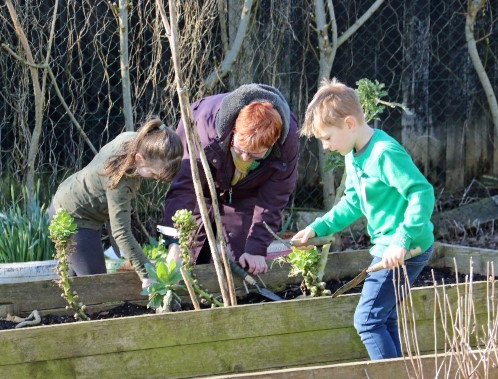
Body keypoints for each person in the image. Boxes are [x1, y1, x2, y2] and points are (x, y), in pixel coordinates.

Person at [291, 78, 435, 360]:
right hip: (391, 247)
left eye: (327, 138)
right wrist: (316, 228)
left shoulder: (383, 153)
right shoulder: (354, 155)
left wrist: (401, 240)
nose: (325, 146)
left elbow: (422, 193)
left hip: (407, 248)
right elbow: (353, 202)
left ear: (348, 124)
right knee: (382, 319)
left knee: (367, 321)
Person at [162, 83, 299, 275]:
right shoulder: (202, 126)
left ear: (273, 143)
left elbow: (275, 197)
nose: (244, 159)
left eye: (254, 156)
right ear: (234, 131)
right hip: (204, 184)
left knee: (243, 260)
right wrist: (174, 242)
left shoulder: (288, 141)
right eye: (241, 151)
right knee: (190, 253)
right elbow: (184, 187)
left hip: (247, 190)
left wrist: (256, 249)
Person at [50, 118, 183, 282]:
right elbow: (122, 233)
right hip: (73, 218)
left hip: (68, 197)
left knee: (75, 286)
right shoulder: (120, 180)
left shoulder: (135, 140)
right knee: (97, 287)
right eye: (154, 174)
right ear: (140, 158)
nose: (154, 179)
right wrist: (147, 276)